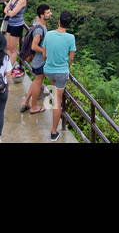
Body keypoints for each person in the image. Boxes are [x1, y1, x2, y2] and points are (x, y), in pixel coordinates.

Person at [43, 11, 77, 142]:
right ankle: (53, 132)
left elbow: (44, 55)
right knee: (58, 101)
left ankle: (48, 103)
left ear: (58, 21)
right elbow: (71, 58)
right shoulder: (71, 38)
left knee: (53, 90)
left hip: (48, 70)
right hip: (61, 72)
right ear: (68, 24)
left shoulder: (49, 34)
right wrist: (66, 67)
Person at [19, 4, 51, 115]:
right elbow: (34, 46)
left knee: (35, 82)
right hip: (39, 61)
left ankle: (26, 102)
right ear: (42, 15)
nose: (50, 14)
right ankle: (34, 107)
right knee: (38, 82)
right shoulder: (39, 30)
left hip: (36, 61)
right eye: (47, 13)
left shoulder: (37, 22)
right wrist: (43, 51)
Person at [2, 0, 27, 78]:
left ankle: (9, 68)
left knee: (13, 49)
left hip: (17, 25)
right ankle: (8, 66)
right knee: (8, 47)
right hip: (10, 24)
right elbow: (6, 10)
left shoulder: (22, 0)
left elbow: (12, 13)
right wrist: (9, 12)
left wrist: (9, 12)